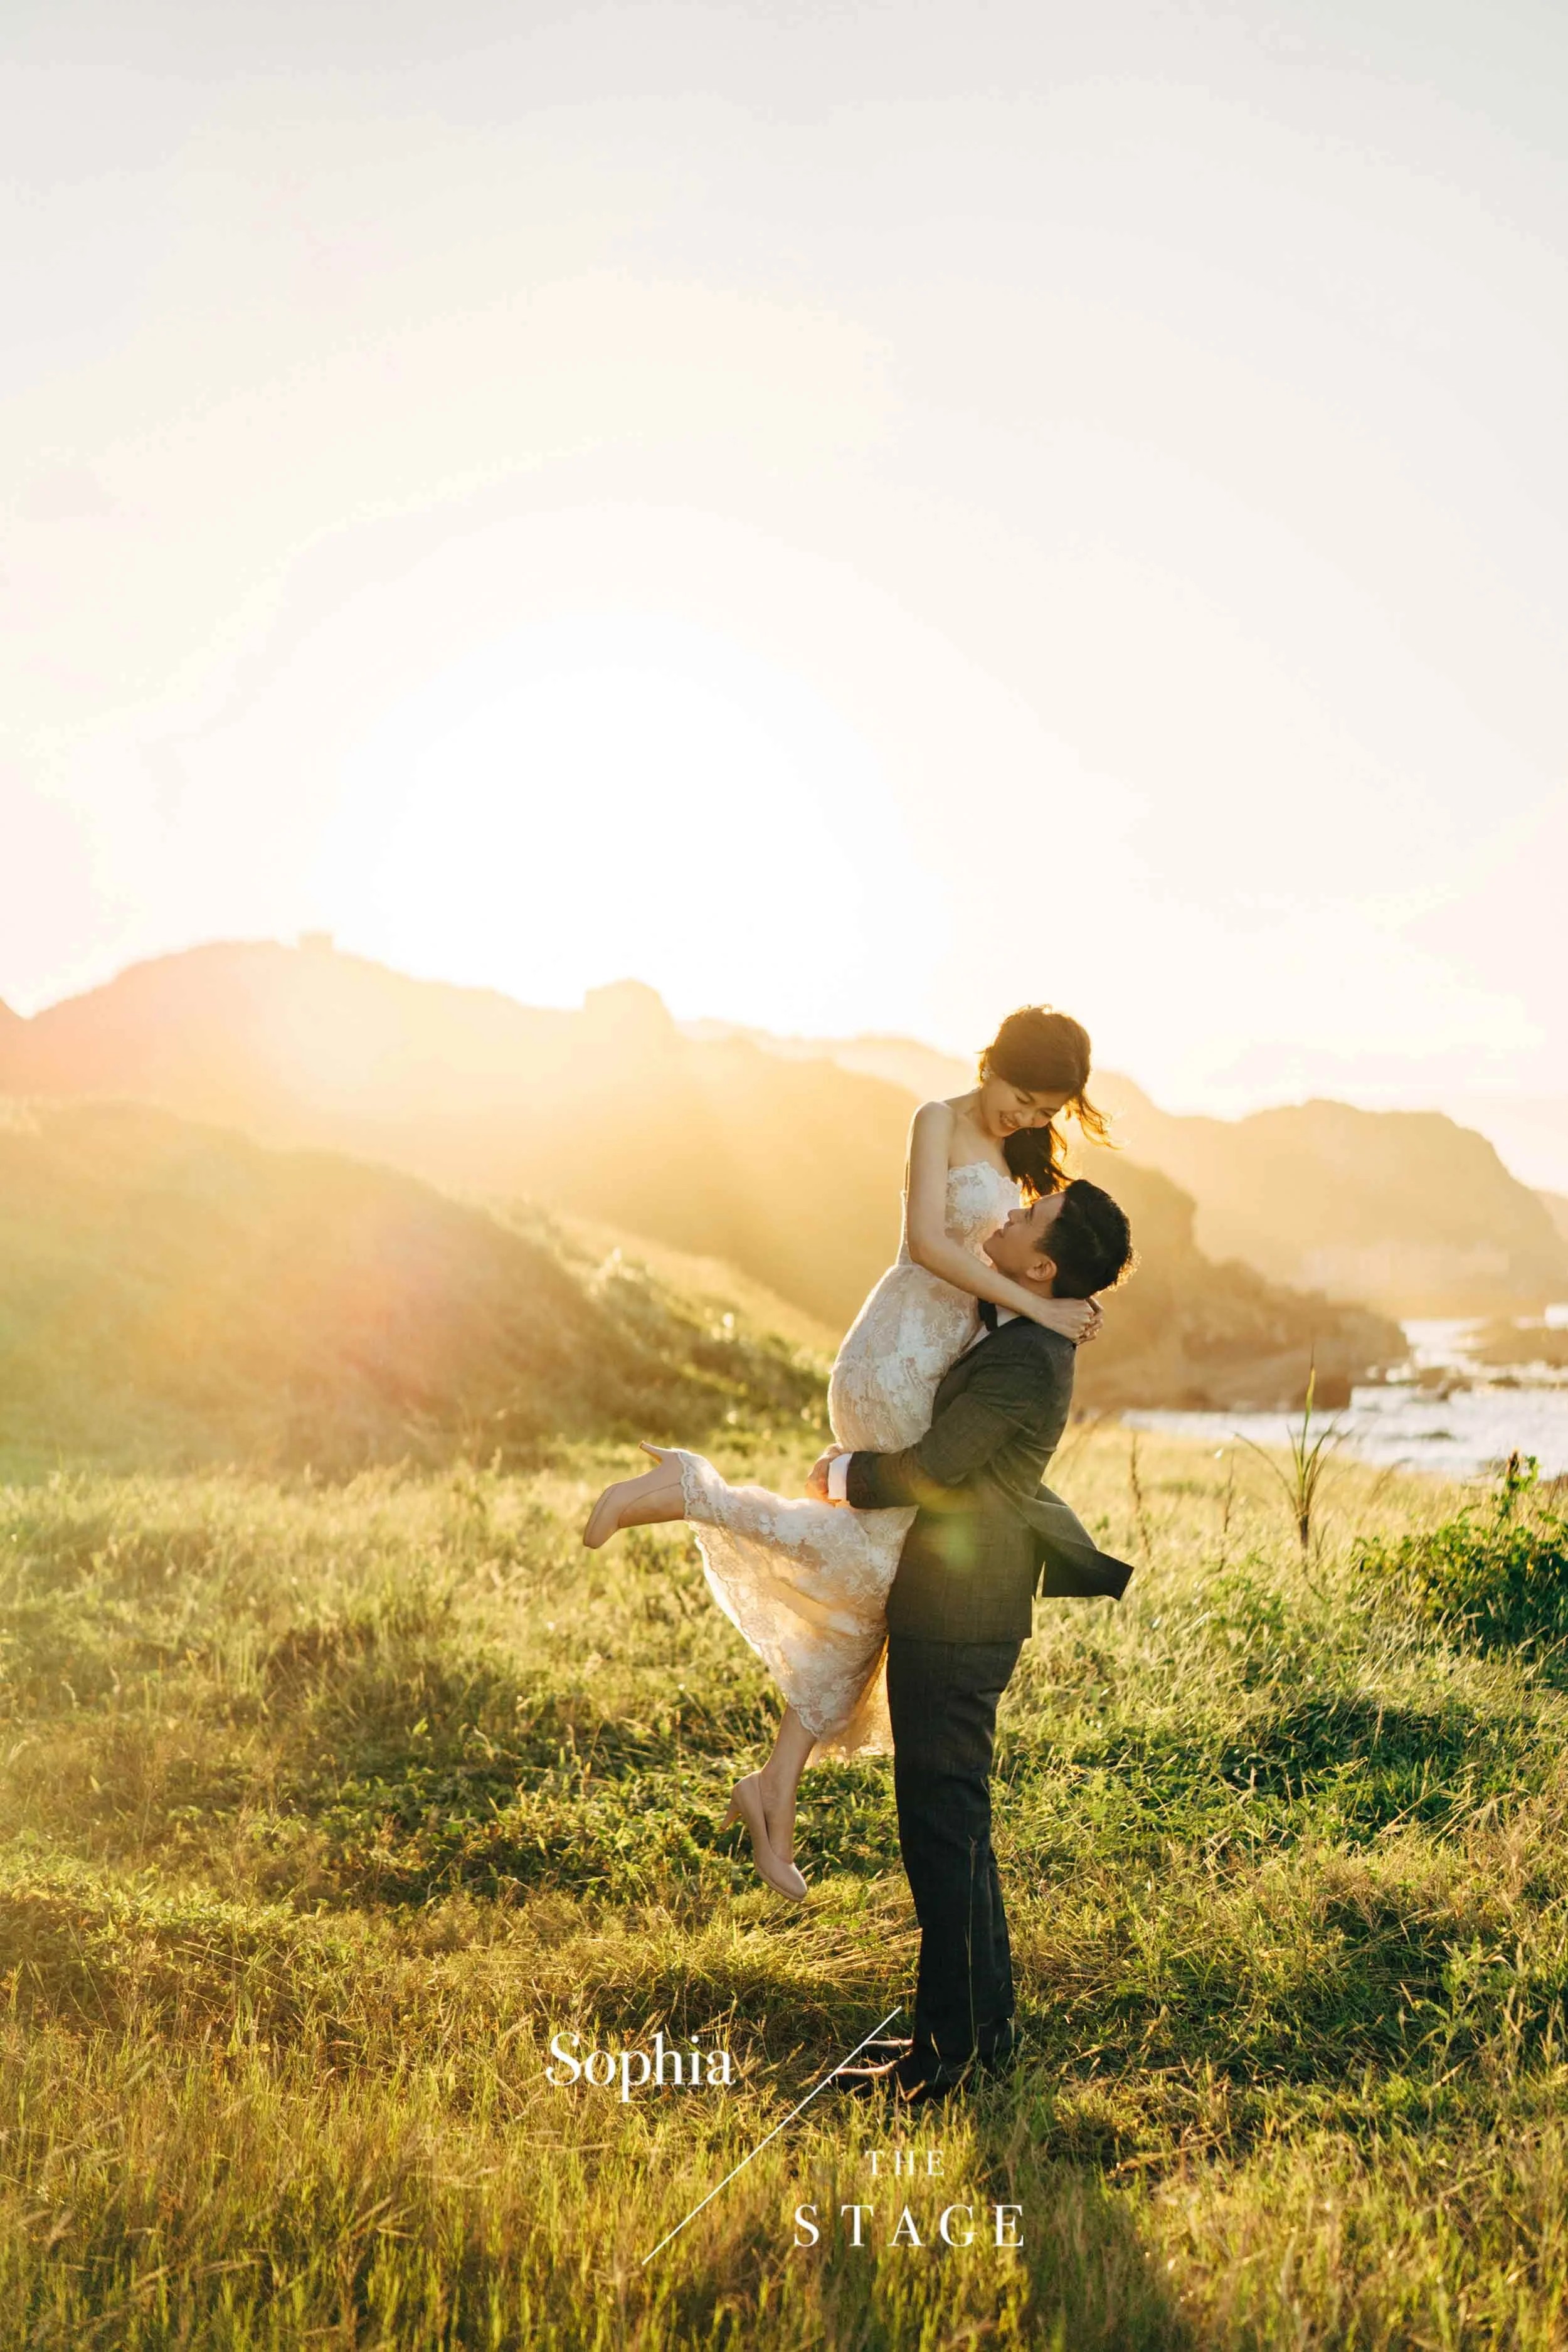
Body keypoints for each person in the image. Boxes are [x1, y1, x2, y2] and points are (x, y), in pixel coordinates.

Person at [582, 1005, 1113, 1897]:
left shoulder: (1020, 1150)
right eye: (1022, 1095)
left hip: (936, 1365)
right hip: (899, 1348)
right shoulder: (936, 1119)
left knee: (879, 1581)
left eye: (1046, 1107)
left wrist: (1052, 1301)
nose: (1027, 1117)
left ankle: (775, 1785)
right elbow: (926, 1245)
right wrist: (1033, 1307)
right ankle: (690, 1489)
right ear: (991, 1063)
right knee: (882, 1568)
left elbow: (1032, 1253)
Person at [822, 1179, 1135, 2102]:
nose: (1007, 1213)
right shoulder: (1032, 1320)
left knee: (940, 1828)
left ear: (1043, 1261)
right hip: (968, 1602)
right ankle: (975, 2038)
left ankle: (947, 2058)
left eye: (1029, 1217)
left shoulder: (1027, 1358)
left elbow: (936, 1469)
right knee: (956, 1829)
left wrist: (846, 1476)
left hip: (961, 1611)